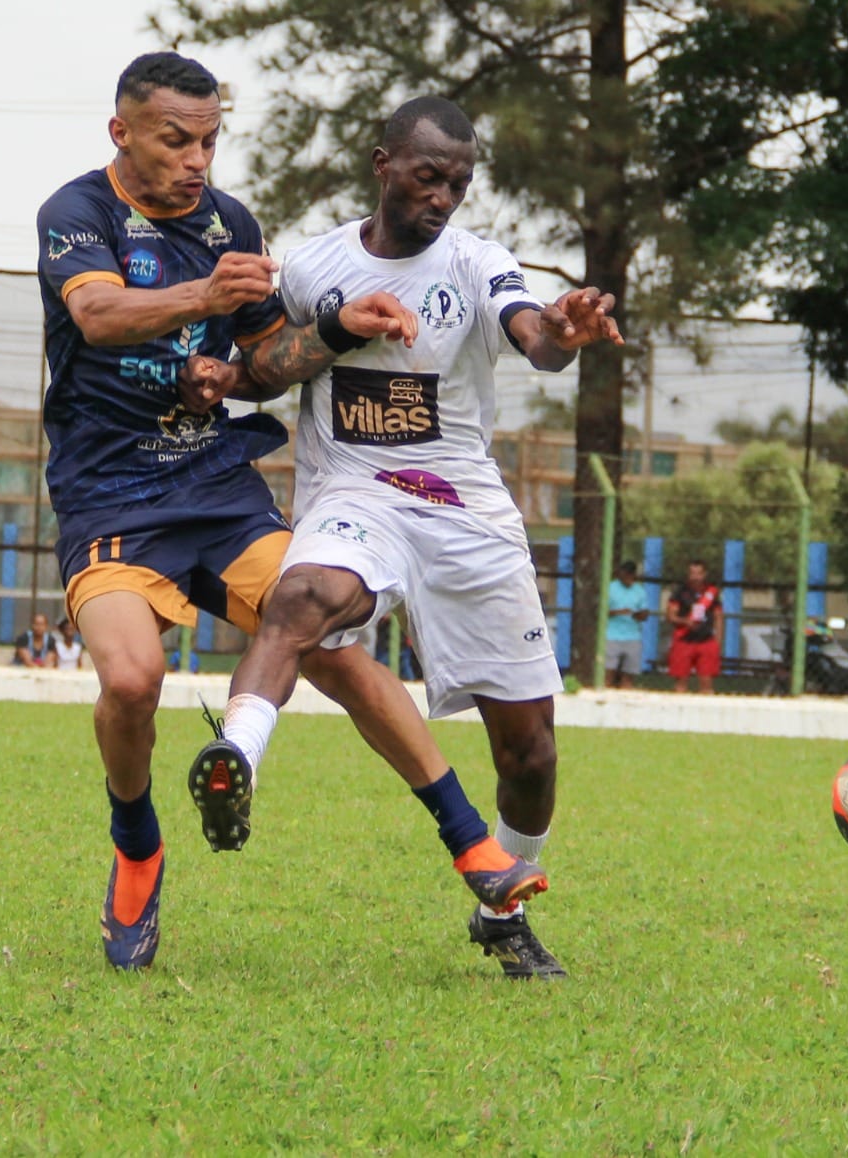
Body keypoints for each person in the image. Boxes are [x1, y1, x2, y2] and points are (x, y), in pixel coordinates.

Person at [39, 56, 538, 972]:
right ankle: (138, 843)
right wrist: (205, 298)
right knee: (131, 681)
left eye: (210, 140)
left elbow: (271, 354)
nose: (198, 159)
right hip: (109, 493)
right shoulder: (78, 215)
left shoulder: (232, 222)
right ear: (124, 135)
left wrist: (331, 331)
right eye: (176, 139)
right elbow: (102, 318)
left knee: (326, 636)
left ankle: (472, 845)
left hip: (217, 489)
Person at [181, 94, 622, 979]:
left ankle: (507, 904)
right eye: (428, 176)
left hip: (466, 511)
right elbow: (275, 366)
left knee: (529, 750)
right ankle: (237, 757)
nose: (445, 196)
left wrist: (563, 336)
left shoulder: (476, 262)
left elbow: (529, 333)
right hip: (357, 495)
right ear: (383, 164)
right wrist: (227, 376)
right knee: (300, 598)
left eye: (459, 182)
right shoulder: (315, 267)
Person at [667, 560, 722, 695]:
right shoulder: (680, 592)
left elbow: (718, 617)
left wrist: (718, 642)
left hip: (706, 640)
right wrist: (686, 622)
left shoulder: (711, 593)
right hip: (684, 640)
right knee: (681, 684)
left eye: (699, 573)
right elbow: (670, 616)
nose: (695, 577)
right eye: (692, 573)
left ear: (704, 574)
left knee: (706, 683)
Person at [604, 560, 648, 689]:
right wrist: (618, 612)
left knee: (629, 673)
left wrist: (637, 614)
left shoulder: (639, 590)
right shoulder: (611, 588)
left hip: (632, 636)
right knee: (609, 672)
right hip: (612, 635)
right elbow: (602, 611)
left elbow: (644, 612)